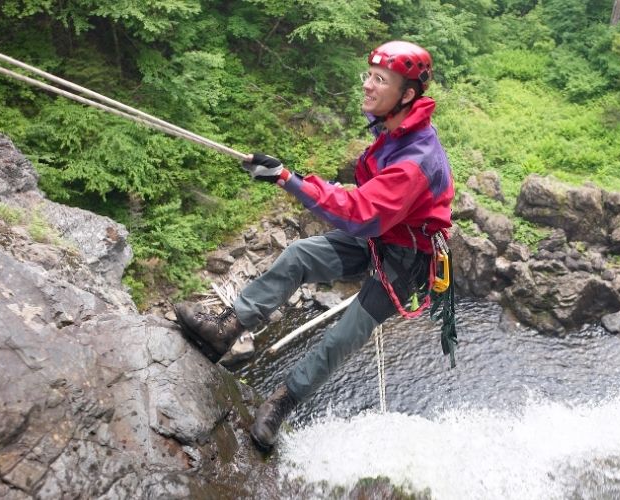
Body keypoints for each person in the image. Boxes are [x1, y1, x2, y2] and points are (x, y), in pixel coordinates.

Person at [174, 40, 454, 451]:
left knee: (345, 334)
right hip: (381, 234)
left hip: (407, 257)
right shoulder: (394, 132)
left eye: (380, 80)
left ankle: (283, 401)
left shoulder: (418, 157)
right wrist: (298, 178)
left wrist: (290, 180)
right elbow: (368, 202)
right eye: (369, 76)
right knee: (299, 255)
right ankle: (227, 329)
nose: (368, 86)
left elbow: (364, 213)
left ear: (407, 94)